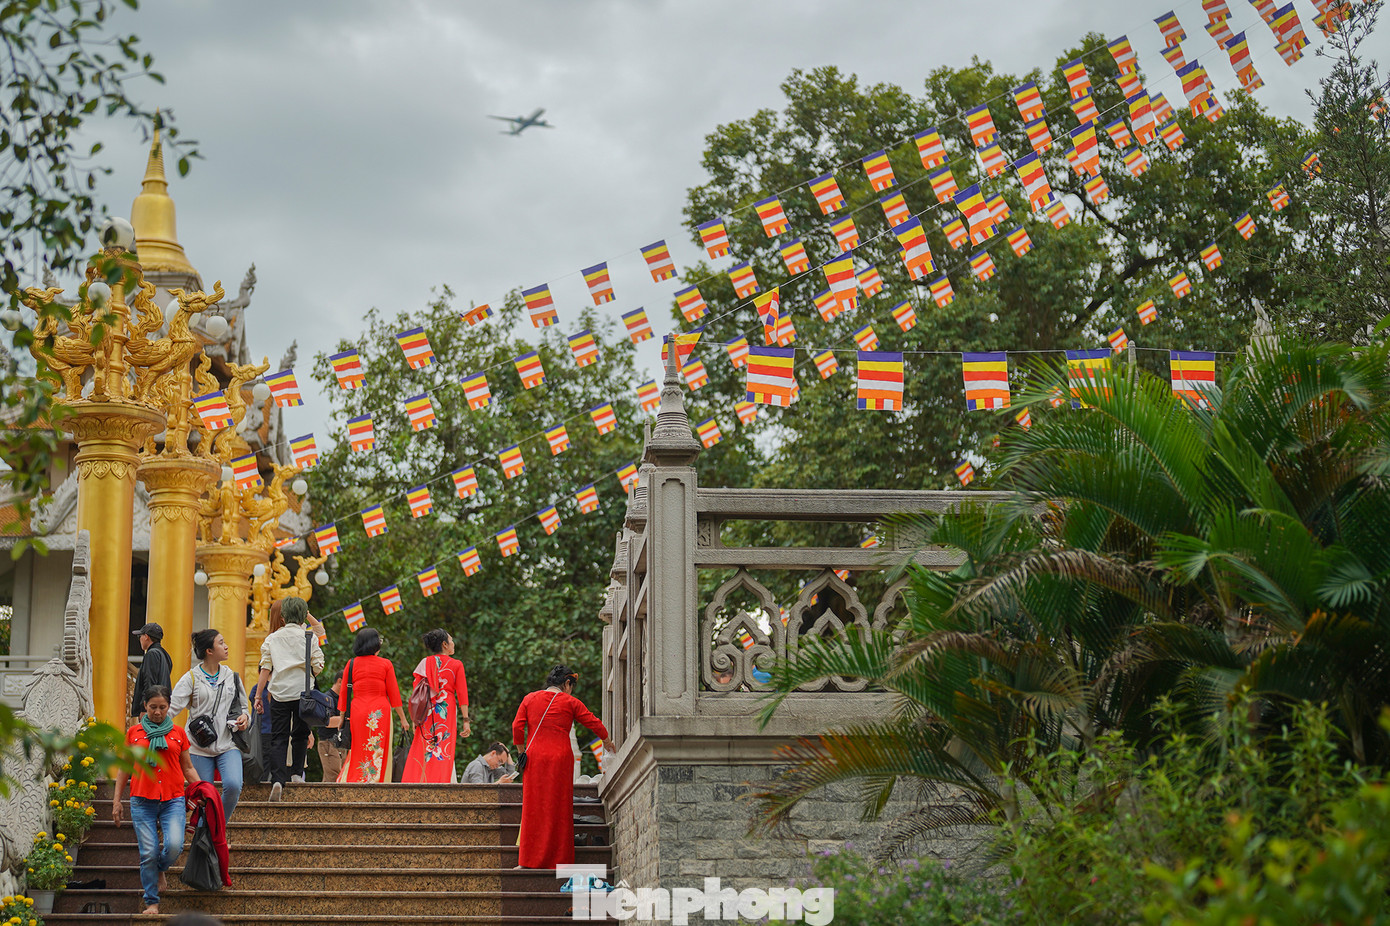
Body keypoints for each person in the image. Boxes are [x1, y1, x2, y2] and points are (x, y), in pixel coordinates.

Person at [511, 665, 615, 869]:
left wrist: (522, 751)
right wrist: (607, 742)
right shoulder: (570, 702)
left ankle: (527, 861)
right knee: (559, 807)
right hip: (560, 758)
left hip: (535, 758)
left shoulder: (529, 698)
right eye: (571, 687)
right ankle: (560, 860)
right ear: (567, 683)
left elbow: (517, 727)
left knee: (533, 807)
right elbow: (593, 722)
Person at [111, 686, 201, 915]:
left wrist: (202, 790)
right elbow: (124, 769)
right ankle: (151, 902)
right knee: (148, 852)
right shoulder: (134, 733)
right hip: (142, 800)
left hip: (173, 799)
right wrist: (116, 801)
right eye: (153, 707)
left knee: (174, 846)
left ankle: (159, 868)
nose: (158, 712)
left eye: (162, 707)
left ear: (169, 706)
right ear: (145, 706)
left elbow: (188, 767)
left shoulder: (178, 733)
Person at [170, 629, 251, 820]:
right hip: (198, 747)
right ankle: (206, 832)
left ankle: (217, 827)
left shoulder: (232, 676)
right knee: (204, 796)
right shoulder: (191, 678)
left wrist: (245, 719)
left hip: (228, 743)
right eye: (221, 643)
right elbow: (172, 708)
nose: (226, 646)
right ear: (209, 651)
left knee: (233, 785)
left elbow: (244, 708)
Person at [255, 596, 325, 801]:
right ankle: (296, 774)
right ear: (303, 616)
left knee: (279, 737)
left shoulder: (272, 639)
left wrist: (259, 695)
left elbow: (265, 667)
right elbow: (318, 665)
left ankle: (278, 780)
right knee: (301, 734)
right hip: (303, 693)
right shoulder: (309, 637)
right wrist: (309, 674)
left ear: (283, 617)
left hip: (279, 693)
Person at [332, 627, 408, 782]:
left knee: (358, 749)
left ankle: (355, 779)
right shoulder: (386, 664)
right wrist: (403, 718)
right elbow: (394, 695)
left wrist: (342, 717)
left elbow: (344, 694)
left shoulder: (351, 663)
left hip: (358, 712)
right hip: (379, 713)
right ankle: (375, 780)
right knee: (378, 748)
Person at [402, 629, 469, 783]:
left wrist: (414, 719)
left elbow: (416, 693)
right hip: (446, 709)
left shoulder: (425, 663)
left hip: (426, 710)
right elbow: (462, 694)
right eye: (451, 641)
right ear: (444, 644)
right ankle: (442, 780)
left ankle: (420, 780)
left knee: (424, 746)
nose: (453, 644)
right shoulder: (456, 664)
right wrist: (466, 720)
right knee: (443, 746)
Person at [129, 622, 172, 725]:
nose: (140, 639)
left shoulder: (151, 654)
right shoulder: (164, 655)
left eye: (140, 636)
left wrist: (145, 708)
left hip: (152, 709)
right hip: (161, 707)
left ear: (146, 637)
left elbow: (149, 682)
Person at [316, 677, 345, 781]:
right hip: (328, 742)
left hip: (340, 743)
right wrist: (348, 719)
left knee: (337, 778)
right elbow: (328, 722)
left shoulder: (342, 699)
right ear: (340, 681)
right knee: (333, 778)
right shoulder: (326, 698)